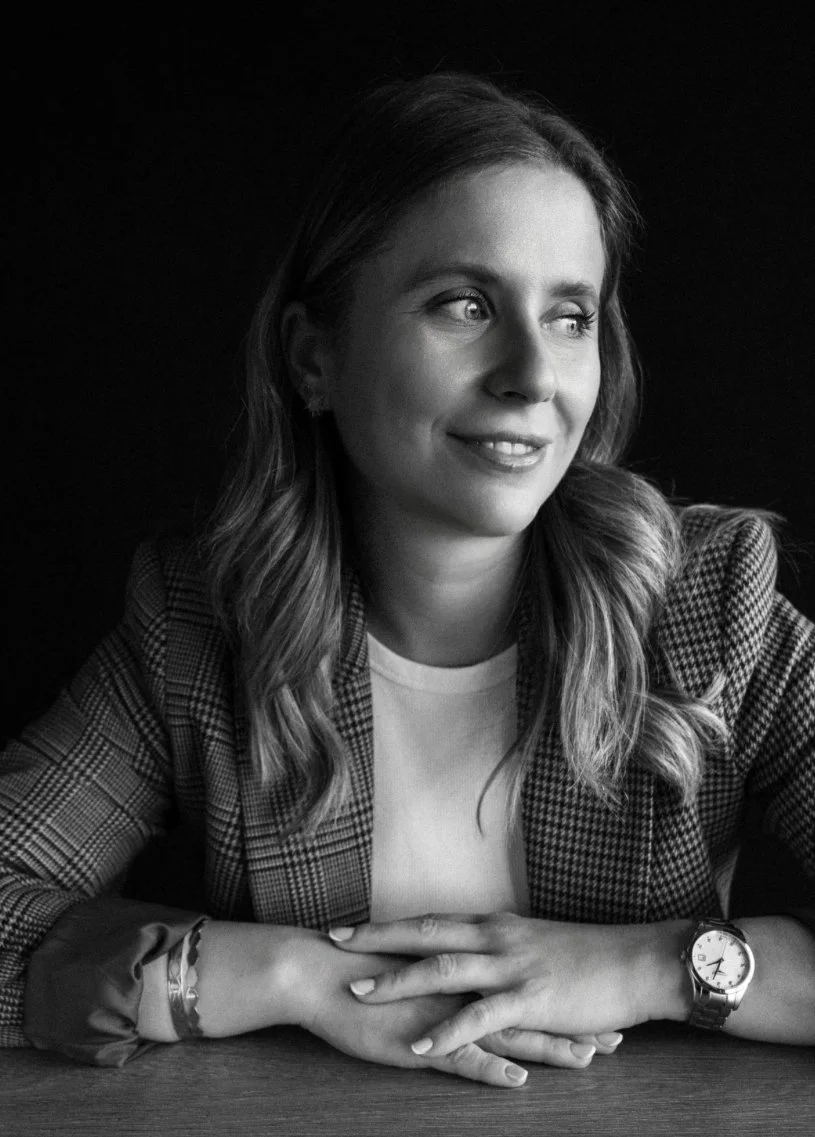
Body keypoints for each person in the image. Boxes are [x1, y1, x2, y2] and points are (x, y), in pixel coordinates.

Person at [1, 71, 813, 1088]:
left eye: (568, 316)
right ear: (314, 358)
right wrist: (286, 976)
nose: (530, 374)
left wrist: (653, 964)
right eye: (464, 304)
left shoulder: (707, 607)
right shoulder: (200, 624)